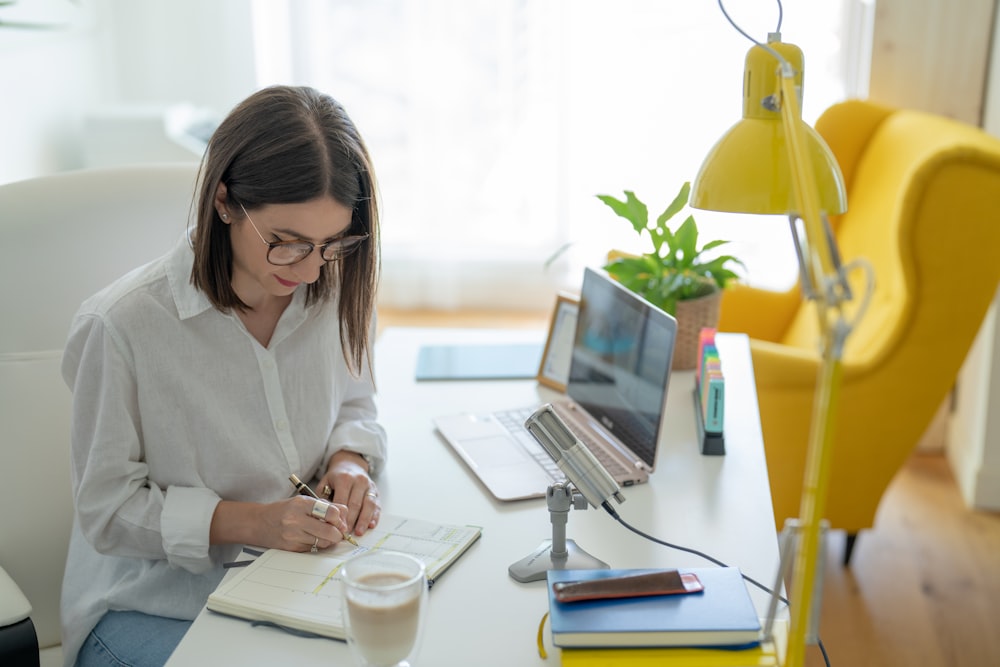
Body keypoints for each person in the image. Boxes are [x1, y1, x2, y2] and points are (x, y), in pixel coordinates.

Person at [59, 85, 387, 667]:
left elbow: (355, 406)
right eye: (287, 244)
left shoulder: (329, 287)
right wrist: (257, 522)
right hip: (153, 607)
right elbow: (106, 511)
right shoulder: (122, 326)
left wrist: (349, 462)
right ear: (224, 203)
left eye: (331, 242)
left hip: (293, 582)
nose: (312, 269)